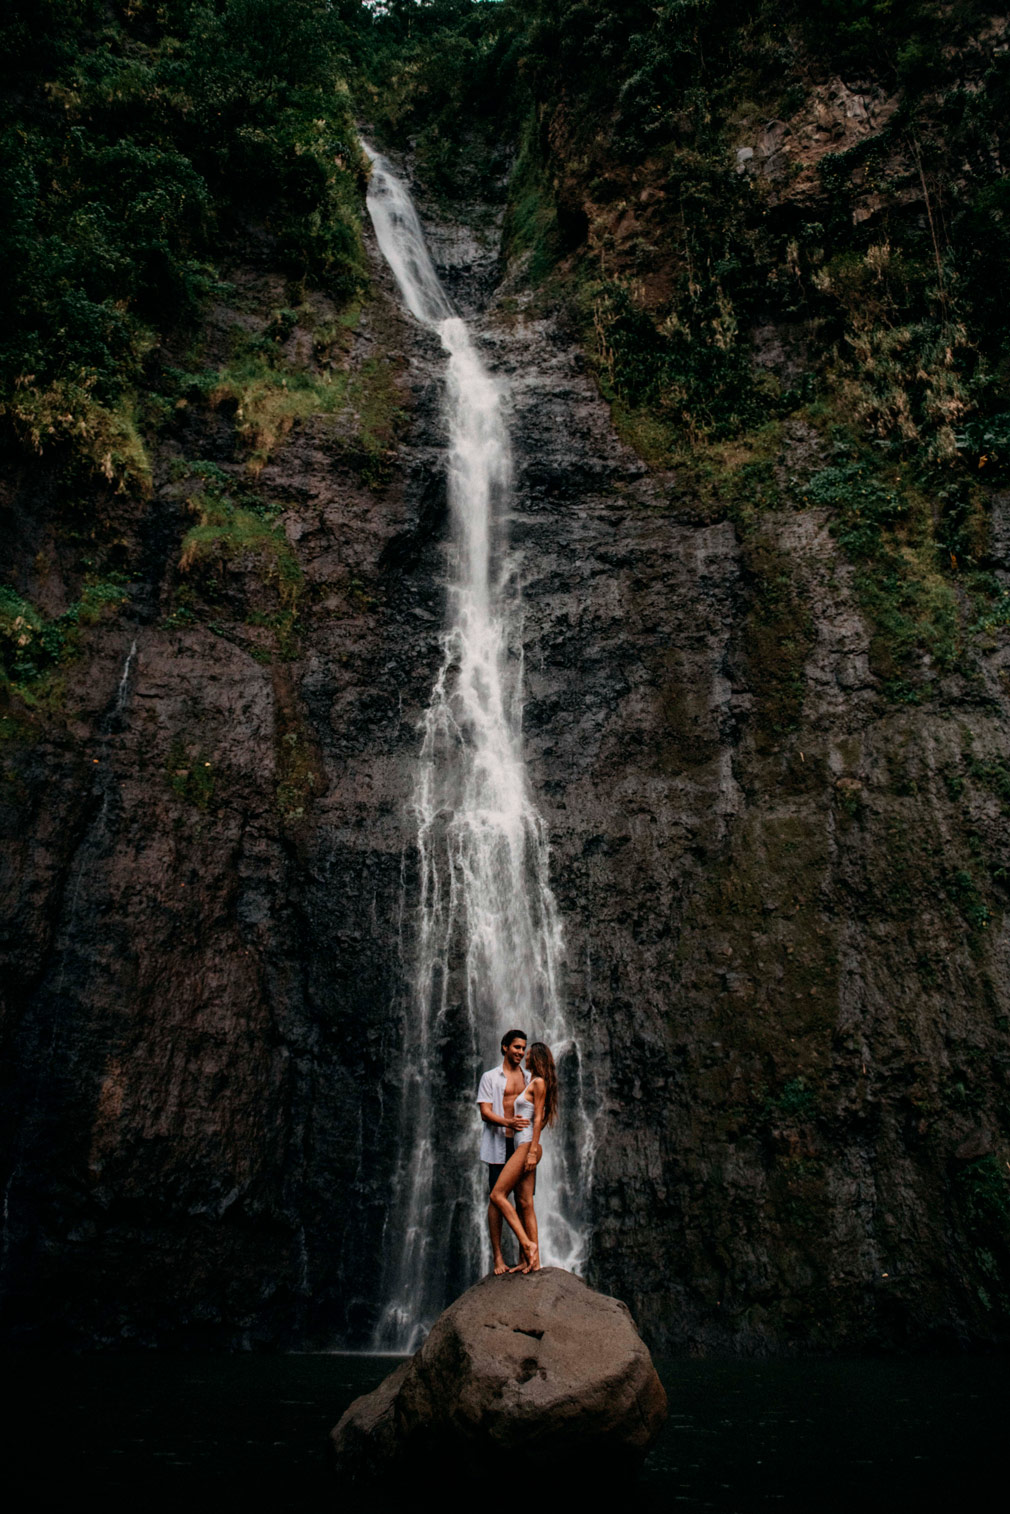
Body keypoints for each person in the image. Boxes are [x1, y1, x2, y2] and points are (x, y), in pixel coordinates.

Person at [487, 1041, 559, 1275]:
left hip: (527, 1146)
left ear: (536, 1058)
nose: (524, 1057)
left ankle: (528, 1245)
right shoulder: (535, 1081)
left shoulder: (538, 1083)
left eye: (528, 1054)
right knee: (525, 1203)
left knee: (497, 1194)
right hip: (526, 1145)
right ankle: (532, 1262)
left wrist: (532, 1150)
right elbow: (541, 1117)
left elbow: (538, 1119)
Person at [477, 1029, 530, 1275]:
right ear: (505, 1047)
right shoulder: (490, 1077)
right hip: (499, 1145)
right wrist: (509, 1123)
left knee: (523, 1199)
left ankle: (524, 1256)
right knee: (496, 1198)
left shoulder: (529, 1078)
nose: (521, 1052)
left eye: (523, 1048)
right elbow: (485, 1112)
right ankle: (498, 1257)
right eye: (517, 1047)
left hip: (521, 1145)